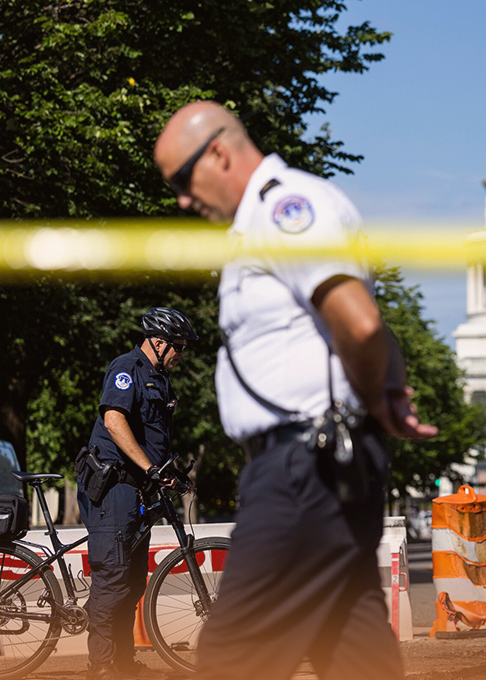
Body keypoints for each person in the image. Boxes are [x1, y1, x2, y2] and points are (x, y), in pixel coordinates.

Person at [154, 101, 437, 680]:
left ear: (218, 153)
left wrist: (375, 398)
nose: (183, 200)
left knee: (233, 657)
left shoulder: (286, 210)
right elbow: (368, 322)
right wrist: (383, 389)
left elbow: (357, 322)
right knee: (356, 653)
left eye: (181, 181)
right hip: (314, 466)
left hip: (302, 466)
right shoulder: (260, 223)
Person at [79, 307, 197, 680]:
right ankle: (100, 665)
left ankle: (124, 661)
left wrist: (171, 473)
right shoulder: (126, 368)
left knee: (132, 582)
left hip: (137, 492)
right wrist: (148, 468)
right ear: (159, 342)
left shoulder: (160, 378)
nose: (182, 353)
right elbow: (114, 420)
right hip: (113, 488)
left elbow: (153, 437)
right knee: (111, 579)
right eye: (178, 346)